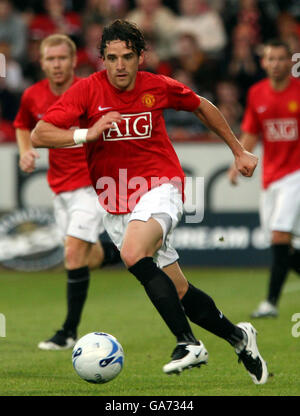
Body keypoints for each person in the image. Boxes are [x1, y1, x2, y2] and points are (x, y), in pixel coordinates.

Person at [31, 19, 268, 384]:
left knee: (131, 254)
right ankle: (240, 338)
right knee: (178, 289)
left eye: (127, 57)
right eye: (111, 58)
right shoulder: (86, 91)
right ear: (103, 60)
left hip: (161, 186)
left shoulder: (157, 86)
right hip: (115, 200)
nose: (120, 66)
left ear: (141, 56)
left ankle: (187, 342)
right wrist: (86, 133)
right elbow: (40, 132)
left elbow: (202, 106)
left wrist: (238, 149)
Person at [14, 34, 121, 351]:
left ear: (74, 61)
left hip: (91, 185)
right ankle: (130, 251)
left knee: (73, 254)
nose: (57, 64)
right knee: (87, 258)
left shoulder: (90, 90)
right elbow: (23, 125)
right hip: (60, 189)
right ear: (42, 62)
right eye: (51, 59)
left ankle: (68, 332)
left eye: (62, 58)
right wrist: (25, 151)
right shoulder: (33, 95)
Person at [228, 39, 300, 318]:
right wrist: (239, 159)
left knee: (281, 234)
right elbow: (252, 132)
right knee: (279, 242)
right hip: (271, 176)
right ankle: (270, 301)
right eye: (271, 59)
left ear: (291, 62)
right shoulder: (257, 93)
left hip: (295, 174)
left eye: (281, 59)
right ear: (263, 63)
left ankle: (270, 303)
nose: (276, 64)